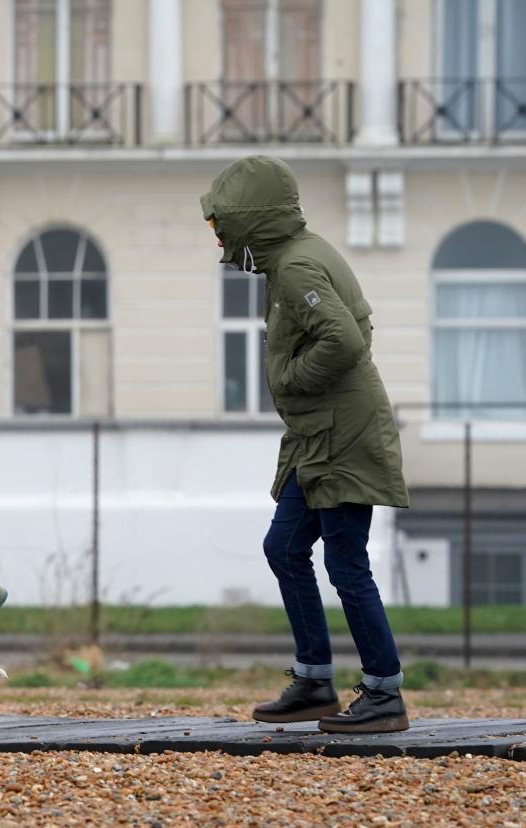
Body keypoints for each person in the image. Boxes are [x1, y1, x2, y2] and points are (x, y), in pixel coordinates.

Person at [200, 156, 411, 734]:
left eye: (223, 225)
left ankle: (383, 692)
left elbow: (345, 340)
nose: (219, 238)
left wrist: (292, 379)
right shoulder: (299, 256)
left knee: (347, 563)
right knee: (285, 547)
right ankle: (314, 680)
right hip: (317, 437)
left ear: (252, 219)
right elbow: (359, 326)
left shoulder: (296, 267)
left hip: (342, 437)